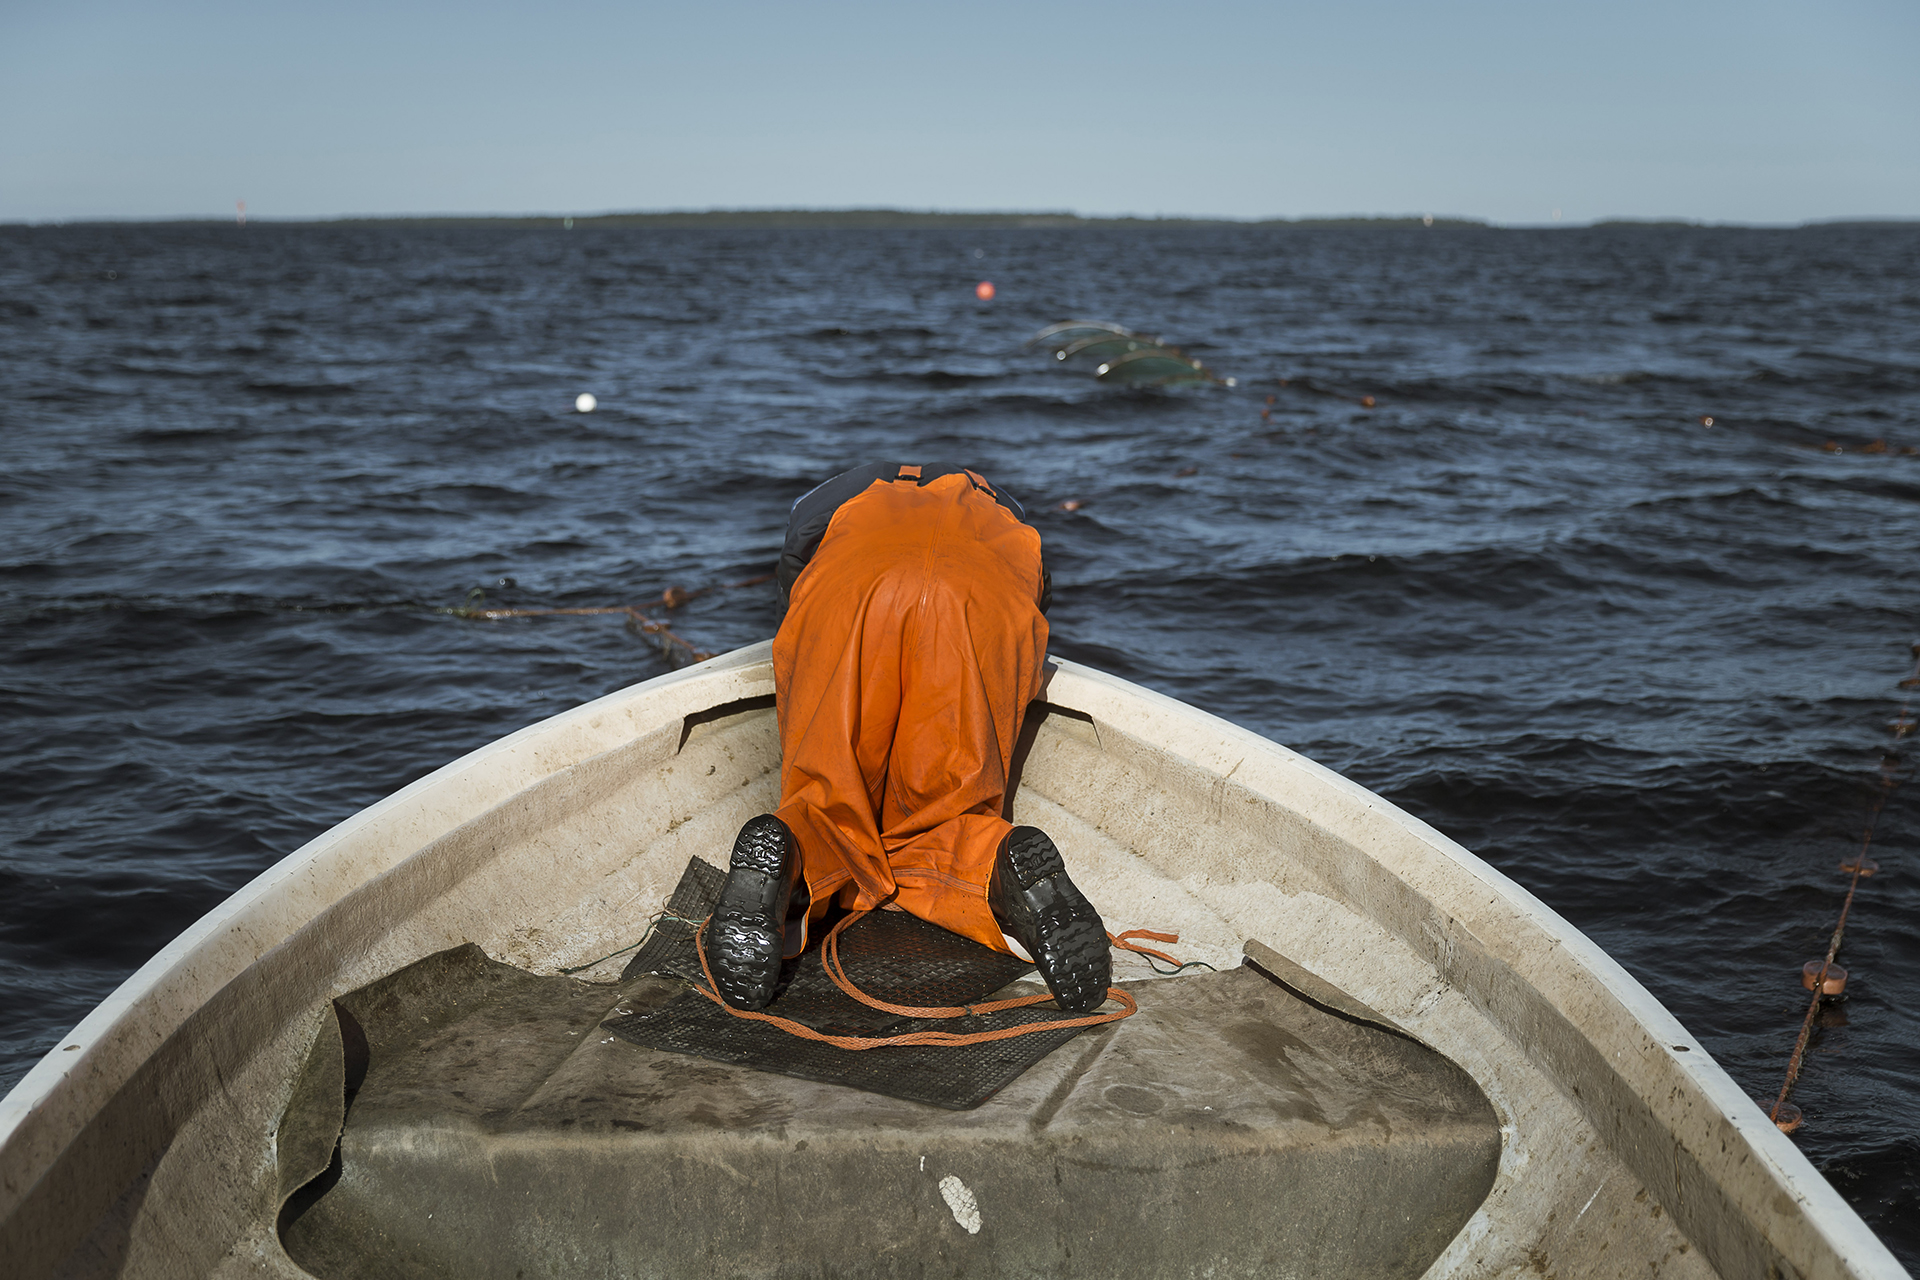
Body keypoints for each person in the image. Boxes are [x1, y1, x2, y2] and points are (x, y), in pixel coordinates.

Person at [703, 462, 1112, 1014]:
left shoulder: (840, 496)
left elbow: (794, 585)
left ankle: (795, 849)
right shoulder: (1007, 512)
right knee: (942, 812)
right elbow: (1031, 618)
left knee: (829, 799)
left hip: (852, 590)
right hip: (979, 601)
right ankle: (993, 863)